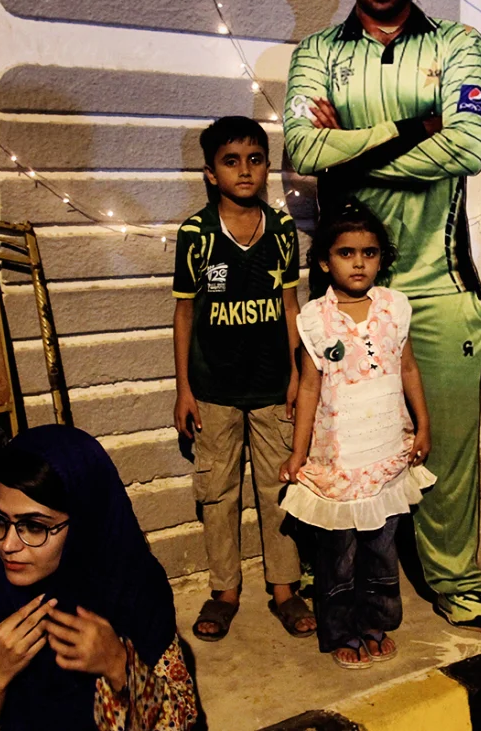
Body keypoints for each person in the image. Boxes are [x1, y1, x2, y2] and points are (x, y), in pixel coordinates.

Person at [283, 0, 481, 632]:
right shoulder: (317, 54)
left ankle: (454, 576)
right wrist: (414, 124)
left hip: (440, 288)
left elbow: (468, 147)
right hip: (346, 288)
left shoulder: (462, 45)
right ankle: (337, 577)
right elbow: (304, 151)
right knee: (333, 441)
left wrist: (352, 137)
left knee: (444, 446)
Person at [0, 425, 197, 731]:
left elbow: (181, 720)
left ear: (84, 524)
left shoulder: (132, 589)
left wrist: (118, 664)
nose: (7, 544)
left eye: (34, 526)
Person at [171, 116, 315, 641]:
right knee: (218, 491)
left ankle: (285, 589)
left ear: (266, 166)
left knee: (279, 486)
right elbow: (184, 314)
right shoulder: (196, 233)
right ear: (211, 172)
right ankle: (224, 592)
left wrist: (300, 373)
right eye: (231, 161)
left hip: (272, 384)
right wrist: (184, 388)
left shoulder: (280, 231)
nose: (245, 171)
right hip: (213, 390)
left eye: (255, 159)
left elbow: (289, 303)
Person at [277, 201, 436, 669]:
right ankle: (341, 630)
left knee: (381, 550)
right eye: (347, 253)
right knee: (339, 557)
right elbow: (308, 388)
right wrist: (298, 453)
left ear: (381, 258)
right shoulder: (314, 319)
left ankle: (376, 623)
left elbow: (407, 367)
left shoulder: (394, 307)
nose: (359, 262)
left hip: (386, 452)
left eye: (369, 252)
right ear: (326, 261)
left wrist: (423, 424)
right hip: (339, 462)